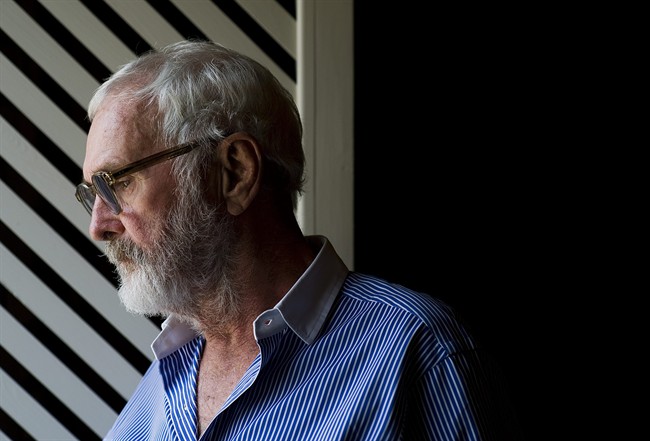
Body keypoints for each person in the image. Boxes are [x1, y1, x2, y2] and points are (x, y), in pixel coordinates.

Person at [75, 39, 522, 440]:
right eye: (92, 193)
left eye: (117, 183)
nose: (99, 225)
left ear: (235, 172)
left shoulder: (418, 352)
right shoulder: (160, 382)